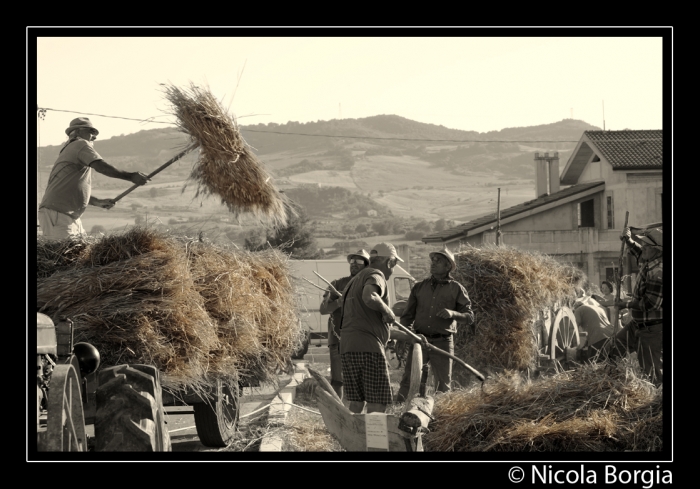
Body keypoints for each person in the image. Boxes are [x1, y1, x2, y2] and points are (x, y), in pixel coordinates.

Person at [38, 117, 151, 239]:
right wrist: (131, 176)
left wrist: (97, 202)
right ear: (77, 132)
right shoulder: (80, 144)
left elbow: (71, 190)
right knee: (65, 256)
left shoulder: (70, 150)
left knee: (79, 254)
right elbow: (101, 167)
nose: (94, 137)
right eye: (91, 131)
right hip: (59, 214)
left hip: (65, 214)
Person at [396, 247, 475, 402]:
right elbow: (407, 316)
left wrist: (453, 313)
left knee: (443, 386)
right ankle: (400, 411)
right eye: (433, 260)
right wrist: (402, 338)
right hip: (419, 340)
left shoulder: (456, 289)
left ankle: (441, 417)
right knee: (410, 380)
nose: (433, 263)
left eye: (438, 260)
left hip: (443, 342)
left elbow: (469, 317)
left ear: (448, 267)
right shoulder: (419, 287)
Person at [338, 243, 406, 414]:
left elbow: (364, 322)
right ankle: (374, 441)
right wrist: (387, 310)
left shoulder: (354, 281)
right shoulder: (376, 275)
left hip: (348, 348)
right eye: (394, 264)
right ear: (389, 262)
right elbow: (370, 297)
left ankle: (355, 438)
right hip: (369, 349)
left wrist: (410, 337)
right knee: (377, 404)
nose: (393, 269)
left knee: (356, 402)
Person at [592, 226, 663, 385]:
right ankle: (607, 384)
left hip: (652, 329)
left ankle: (655, 405)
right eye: (643, 244)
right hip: (638, 324)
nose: (642, 247)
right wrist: (629, 240)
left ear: (657, 250)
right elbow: (639, 252)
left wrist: (625, 304)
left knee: (651, 373)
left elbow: (651, 304)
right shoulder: (649, 260)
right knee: (612, 350)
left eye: (646, 245)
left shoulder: (659, 271)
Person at [319, 249, 370, 399]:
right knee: (337, 380)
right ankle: (339, 410)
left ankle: (357, 412)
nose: (354, 264)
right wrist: (338, 302)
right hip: (338, 338)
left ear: (366, 265)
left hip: (360, 338)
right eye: (352, 261)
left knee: (361, 379)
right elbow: (323, 309)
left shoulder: (370, 285)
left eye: (359, 261)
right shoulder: (336, 284)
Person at [573, 287, 614, 356]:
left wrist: (575, 346)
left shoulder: (579, 310)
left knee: (594, 361)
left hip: (598, 339)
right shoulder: (598, 308)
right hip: (611, 336)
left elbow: (574, 329)